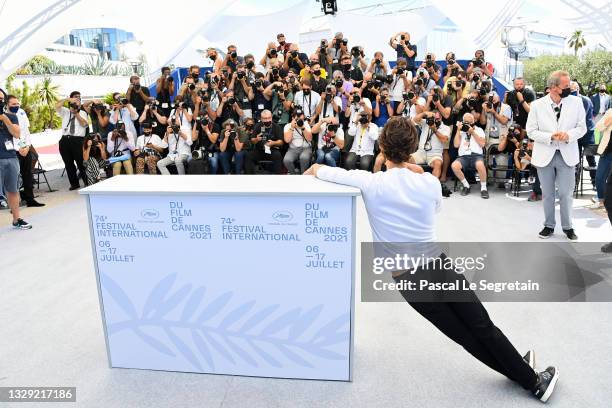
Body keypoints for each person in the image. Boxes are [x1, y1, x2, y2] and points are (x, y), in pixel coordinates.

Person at [304, 116, 559, 403]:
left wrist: (313, 170)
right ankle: (531, 378)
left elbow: (320, 169)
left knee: (465, 337)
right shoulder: (428, 182)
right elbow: (434, 205)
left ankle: (523, 372)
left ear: (382, 149)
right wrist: (414, 169)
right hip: (439, 268)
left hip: (409, 281)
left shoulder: (370, 183)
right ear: (413, 147)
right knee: (482, 326)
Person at [526, 70, 586, 240]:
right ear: (553, 87)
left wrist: (569, 135)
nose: (569, 88)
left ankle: (568, 227)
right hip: (545, 154)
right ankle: (548, 225)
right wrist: (549, 137)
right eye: (565, 86)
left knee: (566, 193)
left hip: (567, 154)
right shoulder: (537, 105)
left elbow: (582, 127)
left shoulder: (576, 102)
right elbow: (530, 131)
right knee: (547, 193)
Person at [0, 89, 31, 229]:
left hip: (10, 157)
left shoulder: (11, 117)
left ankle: (16, 219)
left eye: (1, 99)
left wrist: (4, 118)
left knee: (13, 189)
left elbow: (17, 134)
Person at [6, 95, 44, 207]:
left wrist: (27, 146)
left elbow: (26, 132)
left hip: (24, 148)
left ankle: (30, 199)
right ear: (7, 104)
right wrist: (18, 148)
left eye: (17, 104)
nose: (16, 106)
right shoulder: (3, 116)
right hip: (12, 150)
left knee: (27, 175)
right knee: (14, 178)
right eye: (13, 104)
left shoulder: (21, 113)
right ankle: (14, 204)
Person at [55, 91, 89, 190]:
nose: (78, 99)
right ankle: (74, 184)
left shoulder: (83, 112)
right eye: (75, 97)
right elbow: (56, 106)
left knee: (81, 163)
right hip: (65, 139)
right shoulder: (65, 111)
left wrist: (76, 114)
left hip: (77, 140)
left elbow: (84, 124)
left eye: (79, 97)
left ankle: (87, 182)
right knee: (68, 163)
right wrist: (66, 100)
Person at [451, 113, 489, 198]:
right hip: (463, 157)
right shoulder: (460, 131)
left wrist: (473, 132)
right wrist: (458, 130)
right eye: (465, 122)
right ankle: (466, 185)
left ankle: (483, 188)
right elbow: (456, 145)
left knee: (480, 165)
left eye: (469, 122)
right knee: (454, 165)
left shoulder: (479, 130)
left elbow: (482, 144)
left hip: (476, 156)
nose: (467, 124)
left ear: (473, 122)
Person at [245, 110, 284, 174]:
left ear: (271, 117)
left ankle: (277, 177)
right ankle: (250, 176)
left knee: (278, 155)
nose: (267, 120)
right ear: (261, 119)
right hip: (260, 150)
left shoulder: (276, 126)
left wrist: (273, 143)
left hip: (272, 150)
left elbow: (281, 142)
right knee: (249, 156)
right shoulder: (257, 126)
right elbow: (252, 140)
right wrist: (257, 139)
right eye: (265, 118)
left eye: (269, 118)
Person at [283, 108, 313, 174]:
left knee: (304, 158)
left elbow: (310, 139)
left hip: (306, 148)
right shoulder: (287, 126)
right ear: (292, 117)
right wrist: (292, 128)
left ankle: (303, 174)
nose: (299, 118)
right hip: (293, 149)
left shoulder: (306, 125)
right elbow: (287, 140)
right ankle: (293, 174)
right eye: (297, 116)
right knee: (287, 160)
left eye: (300, 116)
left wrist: (302, 128)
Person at [594, 109, 612, 211]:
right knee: (599, 177)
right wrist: (607, 122)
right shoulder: (610, 112)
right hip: (607, 151)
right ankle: (601, 200)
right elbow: (598, 127)